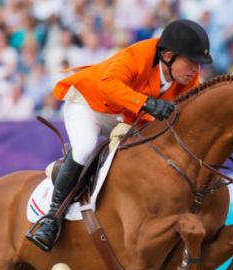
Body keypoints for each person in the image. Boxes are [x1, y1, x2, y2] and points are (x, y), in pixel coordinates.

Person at [27, 19, 213, 252]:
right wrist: (147, 104)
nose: (196, 69)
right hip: (90, 106)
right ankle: (51, 219)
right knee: (85, 147)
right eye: (191, 62)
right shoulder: (139, 55)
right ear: (168, 56)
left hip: (126, 118)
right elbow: (108, 86)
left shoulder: (189, 81)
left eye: (199, 63)